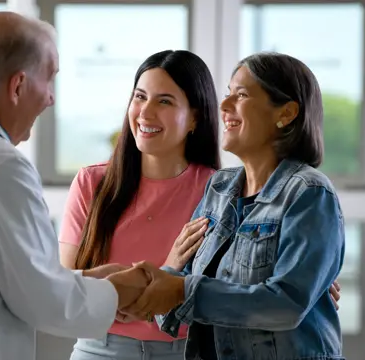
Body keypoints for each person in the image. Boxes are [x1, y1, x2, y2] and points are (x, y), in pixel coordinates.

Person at [59, 50, 341, 359]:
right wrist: (144, 283)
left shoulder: (308, 191)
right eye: (227, 94)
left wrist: (311, 278)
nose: (224, 106)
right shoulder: (222, 189)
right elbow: (193, 282)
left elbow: (284, 302)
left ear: (285, 114)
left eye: (242, 94)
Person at [0, 11, 148, 360]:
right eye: (49, 79)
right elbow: (42, 300)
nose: (51, 98)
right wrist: (118, 291)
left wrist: (87, 280)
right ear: (18, 86)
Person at [59, 50, 220, 360]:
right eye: (140, 97)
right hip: (99, 350)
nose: (145, 113)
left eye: (164, 101)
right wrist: (167, 274)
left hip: (187, 353)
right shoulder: (91, 183)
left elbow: (241, 286)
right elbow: (66, 289)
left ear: (195, 119)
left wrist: (118, 291)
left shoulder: (221, 190)